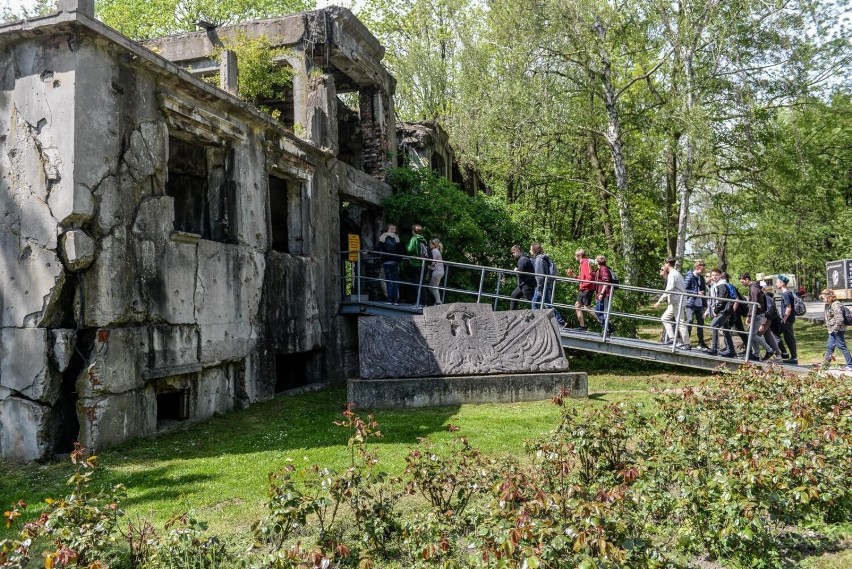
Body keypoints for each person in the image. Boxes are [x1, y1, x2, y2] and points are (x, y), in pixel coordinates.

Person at [739, 273, 780, 362]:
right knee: (751, 334)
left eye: (742, 282)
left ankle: (769, 350)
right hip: (759, 314)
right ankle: (756, 354)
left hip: (758, 315)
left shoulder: (753, 288)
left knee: (752, 335)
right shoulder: (755, 287)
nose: (742, 284)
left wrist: (749, 316)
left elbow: (754, 304)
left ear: (747, 279)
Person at [654, 258, 690, 349]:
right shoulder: (675, 274)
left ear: (667, 264)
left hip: (678, 301)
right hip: (674, 302)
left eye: (664, 264)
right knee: (665, 318)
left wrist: (659, 301)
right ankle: (672, 338)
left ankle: (687, 344)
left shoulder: (673, 274)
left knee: (680, 322)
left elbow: (669, 289)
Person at [530, 243, 566, 327]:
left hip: (542, 285)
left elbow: (540, 276)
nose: (530, 250)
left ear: (534, 250)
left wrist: (539, 288)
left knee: (534, 304)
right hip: (547, 284)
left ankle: (534, 323)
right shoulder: (545, 258)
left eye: (530, 249)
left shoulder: (539, 260)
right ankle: (561, 322)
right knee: (547, 304)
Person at [704, 268, 735, 356]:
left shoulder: (721, 285)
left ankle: (714, 349)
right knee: (725, 330)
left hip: (724, 310)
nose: (714, 277)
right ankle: (731, 350)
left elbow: (721, 300)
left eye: (716, 275)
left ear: (720, 275)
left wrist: (716, 310)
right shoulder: (720, 284)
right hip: (726, 310)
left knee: (713, 326)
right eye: (713, 275)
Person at [819, 289, 852, 371]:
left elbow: (840, 319)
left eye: (823, 298)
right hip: (832, 330)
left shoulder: (836, 305)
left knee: (841, 346)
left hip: (838, 329)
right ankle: (825, 364)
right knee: (830, 347)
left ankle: (850, 365)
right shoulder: (828, 304)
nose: (822, 300)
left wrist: (835, 329)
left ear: (828, 296)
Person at [564, 249, 596, 331]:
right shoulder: (582, 264)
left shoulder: (585, 263)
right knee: (577, 305)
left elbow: (589, 278)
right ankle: (582, 326)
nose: (575, 257)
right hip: (583, 288)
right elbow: (581, 278)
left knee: (586, 307)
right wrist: (572, 274)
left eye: (576, 256)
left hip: (587, 288)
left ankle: (603, 321)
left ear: (580, 256)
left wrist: (584, 285)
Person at [684, 260, 708, 349]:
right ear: (697, 268)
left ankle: (701, 343)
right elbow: (684, 290)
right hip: (690, 304)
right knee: (689, 322)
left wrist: (705, 305)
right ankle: (686, 343)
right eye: (702, 270)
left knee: (701, 323)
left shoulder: (701, 278)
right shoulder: (690, 276)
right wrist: (696, 293)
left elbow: (704, 291)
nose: (703, 272)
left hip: (700, 304)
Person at [405, 224, 429, 305]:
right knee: (422, 284)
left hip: (415, 264)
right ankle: (424, 303)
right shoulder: (423, 239)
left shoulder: (414, 238)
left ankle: (417, 303)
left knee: (416, 284)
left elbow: (409, 249)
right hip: (423, 264)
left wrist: (406, 245)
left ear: (413, 231)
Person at [777, 275, 799, 364]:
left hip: (788, 320)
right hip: (788, 319)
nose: (776, 283)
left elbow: (788, 308)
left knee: (790, 338)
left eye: (777, 282)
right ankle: (789, 355)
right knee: (786, 337)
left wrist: (784, 319)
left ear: (782, 283)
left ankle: (794, 358)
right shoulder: (787, 293)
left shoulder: (786, 294)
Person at [377, 223, 401, 305]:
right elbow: (400, 250)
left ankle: (389, 299)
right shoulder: (396, 237)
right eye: (394, 229)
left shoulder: (383, 236)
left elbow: (378, 248)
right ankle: (396, 300)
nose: (395, 230)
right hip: (395, 262)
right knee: (395, 281)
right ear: (391, 228)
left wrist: (369, 253)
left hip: (387, 261)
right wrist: (399, 260)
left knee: (388, 281)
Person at [592, 255, 615, 335]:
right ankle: (608, 327)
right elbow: (593, 275)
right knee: (598, 311)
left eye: (595, 259)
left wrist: (602, 293)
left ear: (598, 261)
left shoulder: (604, 269)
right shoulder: (599, 269)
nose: (594, 261)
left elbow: (606, 281)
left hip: (605, 294)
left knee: (604, 312)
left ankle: (606, 329)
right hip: (600, 294)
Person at [509, 244, 536, 309]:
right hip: (523, 284)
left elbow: (521, 272)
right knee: (514, 295)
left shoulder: (523, 259)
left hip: (527, 284)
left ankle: (543, 312)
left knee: (533, 300)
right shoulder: (524, 258)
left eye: (513, 252)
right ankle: (511, 314)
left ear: (518, 251)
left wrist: (516, 270)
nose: (513, 254)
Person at [427, 238, 445, 306]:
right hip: (440, 271)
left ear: (434, 245)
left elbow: (432, 262)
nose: (429, 245)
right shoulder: (437, 251)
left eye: (430, 244)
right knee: (431, 287)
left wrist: (427, 265)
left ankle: (438, 302)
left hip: (437, 271)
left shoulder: (434, 251)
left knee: (434, 287)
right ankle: (438, 301)